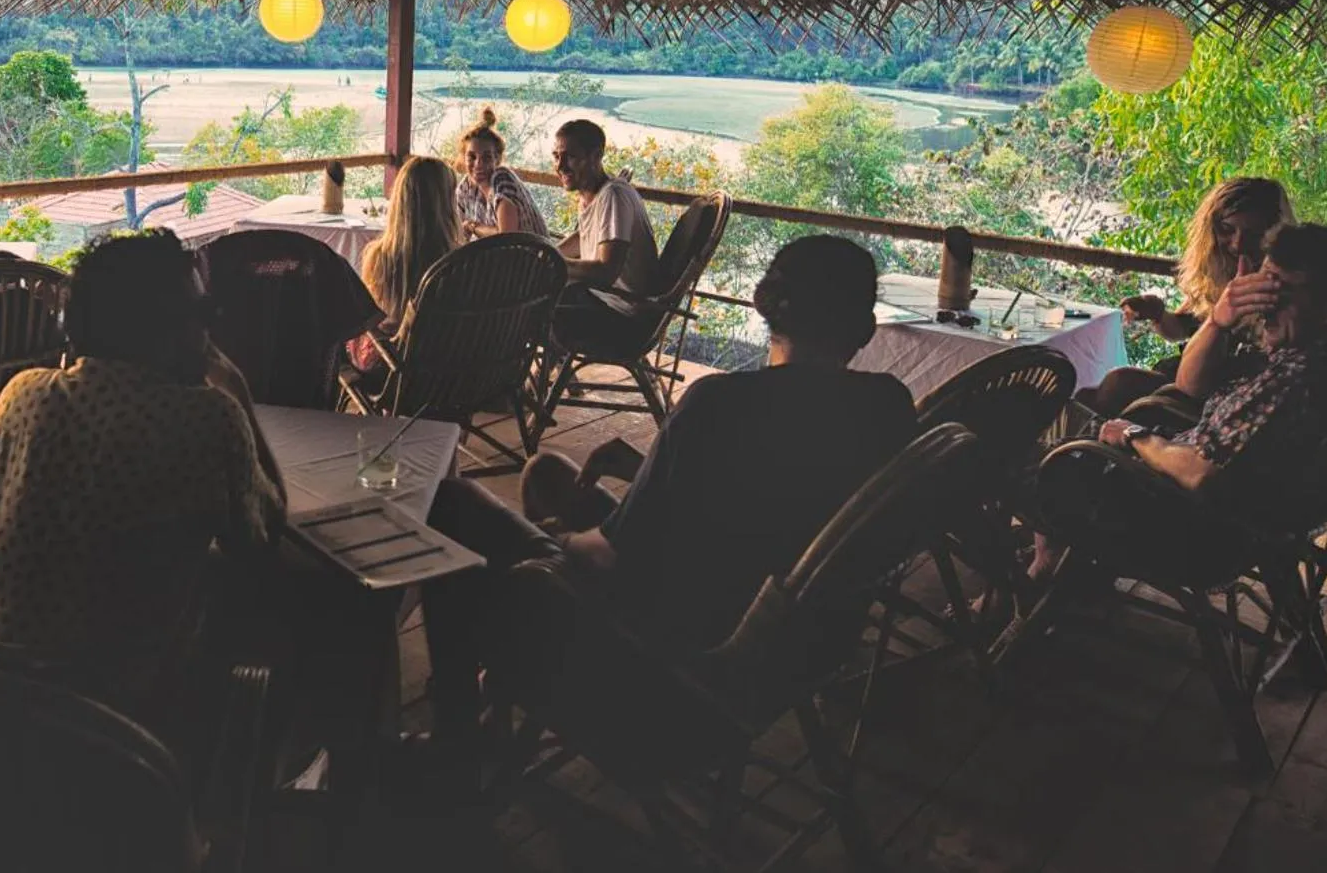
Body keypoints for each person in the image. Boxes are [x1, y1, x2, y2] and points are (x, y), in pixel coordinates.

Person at [419, 235, 918, 760]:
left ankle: (461, 736)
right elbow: (772, 494)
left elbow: (611, 557)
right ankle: (502, 682)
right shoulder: (886, 405)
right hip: (786, 632)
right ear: (861, 327)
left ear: (769, 305)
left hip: (672, 655)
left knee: (454, 502)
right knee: (547, 473)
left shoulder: (721, 405)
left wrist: (555, 539)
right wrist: (649, 468)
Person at [0, 230, 285, 720]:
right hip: (114, 718)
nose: (211, 330)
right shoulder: (207, 417)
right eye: (202, 315)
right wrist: (236, 392)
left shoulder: (23, 396)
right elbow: (264, 533)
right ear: (167, 331)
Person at [1097, 223, 1327, 516]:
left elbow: (1201, 474)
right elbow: (1191, 387)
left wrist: (1135, 435)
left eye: (1277, 290)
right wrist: (1218, 320)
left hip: (1174, 506)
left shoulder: (1293, 380)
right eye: (1261, 287)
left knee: (1063, 467)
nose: (1262, 306)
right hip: (1204, 474)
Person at [1081, 178, 1294, 416]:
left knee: (1117, 384)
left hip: (1213, 400)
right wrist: (1158, 314)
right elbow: (1183, 329)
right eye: (1226, 230)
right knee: (1086, 397)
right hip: (1186, 379)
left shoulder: (1281, 290)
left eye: (1253, 234)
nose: (1237, 244)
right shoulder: (1219, 273)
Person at [549, 118, 662, 355]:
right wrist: (543, 255)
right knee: (531, 296)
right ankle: (546, 380)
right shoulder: (593, 195)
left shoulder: (614, 196)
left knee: (526, 309)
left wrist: (554, 263)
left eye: (570, 157)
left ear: (596, 156)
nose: (560, 166)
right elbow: (584, 237)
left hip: (624, 320)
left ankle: (525, 382)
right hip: (607, 304)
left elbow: (606, 271)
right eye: (556, 156)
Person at [347, 155, 463, 372]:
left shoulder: (379, 256)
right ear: (446, 203)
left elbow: (373, 318)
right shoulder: (460, 262)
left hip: (396, 367)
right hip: (447, 363)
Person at [454, 107, 548, 239]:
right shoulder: (465, 189)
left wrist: (473, 226)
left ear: (497, 159)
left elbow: (506, 236)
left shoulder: (502, 179)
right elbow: (459, 235)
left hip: (530, 257)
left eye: (486, 157)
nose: (478, 164)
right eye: (472, 157)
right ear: (464, 157)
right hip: (497, 257)